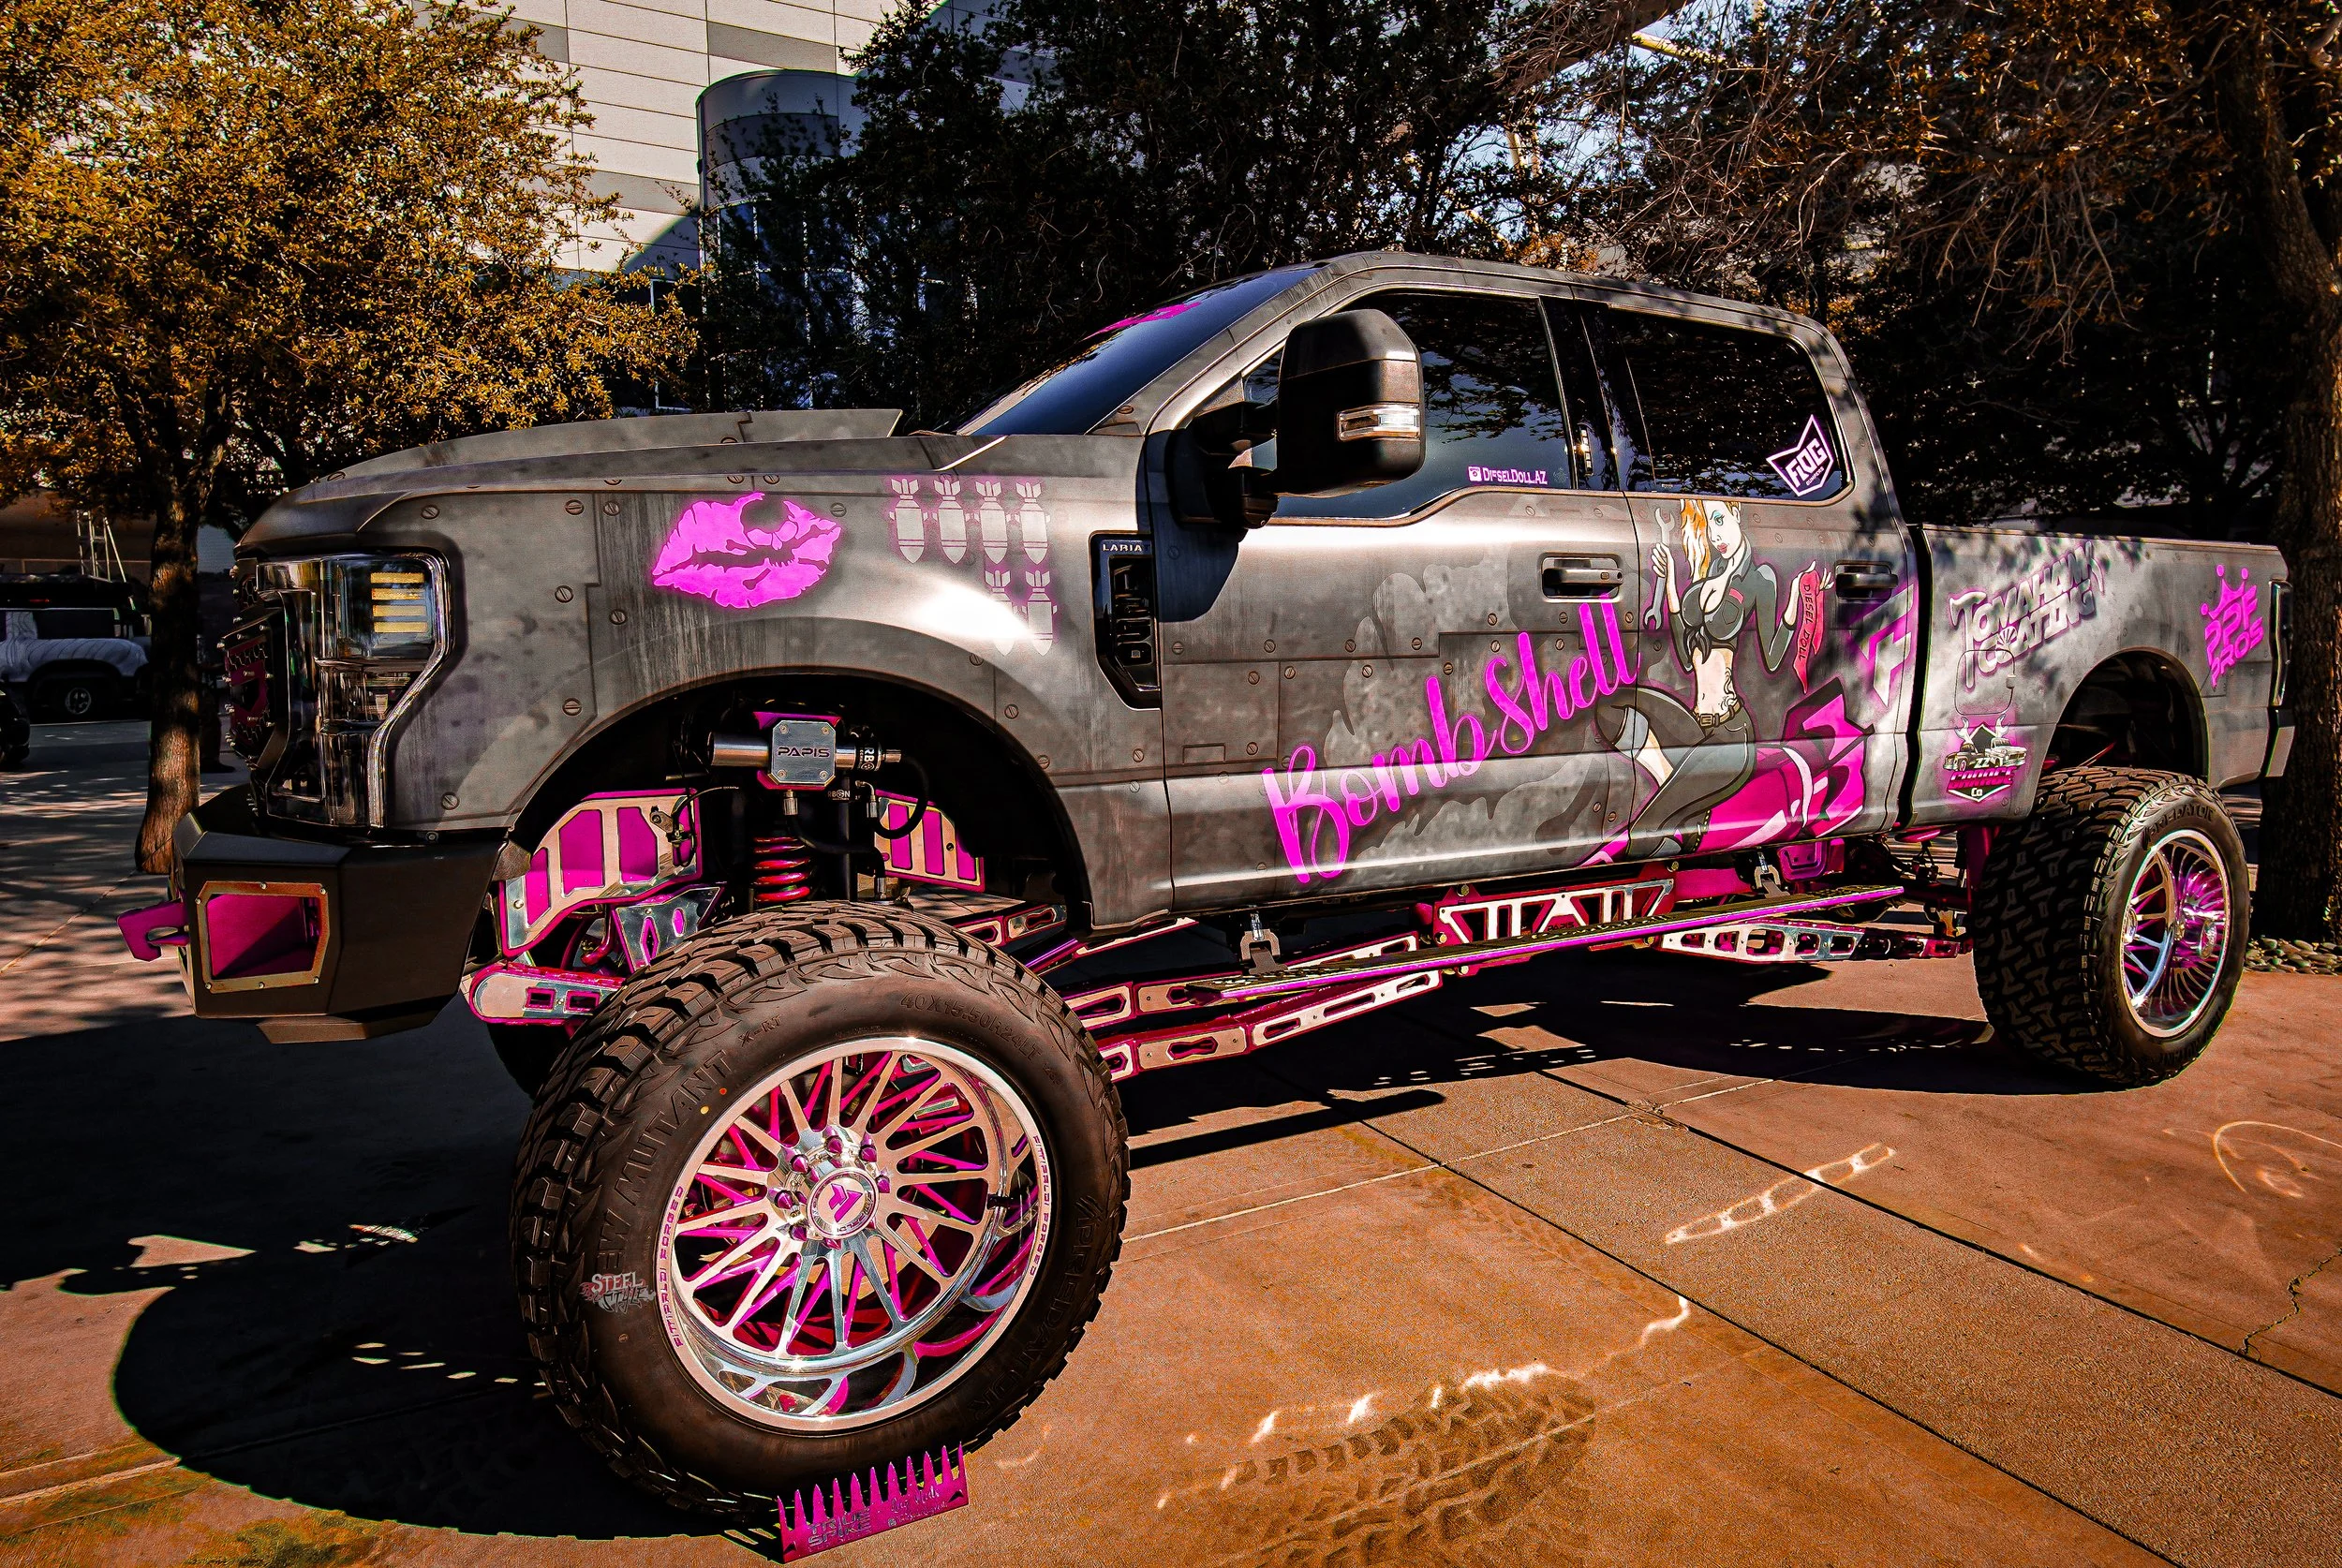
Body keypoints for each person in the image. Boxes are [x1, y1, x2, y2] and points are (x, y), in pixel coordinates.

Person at [1599, 497, 1811, 858]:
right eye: (1708, 527)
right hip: (1694, 726)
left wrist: (1794, 600)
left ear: (1736, 512)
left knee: (1646, 829)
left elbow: (1773, 657)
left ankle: (1681, 798)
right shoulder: (1702, 583)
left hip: (1730, 734)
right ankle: (1674, 783)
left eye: (1719, 520)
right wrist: (1669, 582)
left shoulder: (1760, 579)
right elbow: (1686, 657)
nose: (1716, 535)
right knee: (1611, 708)